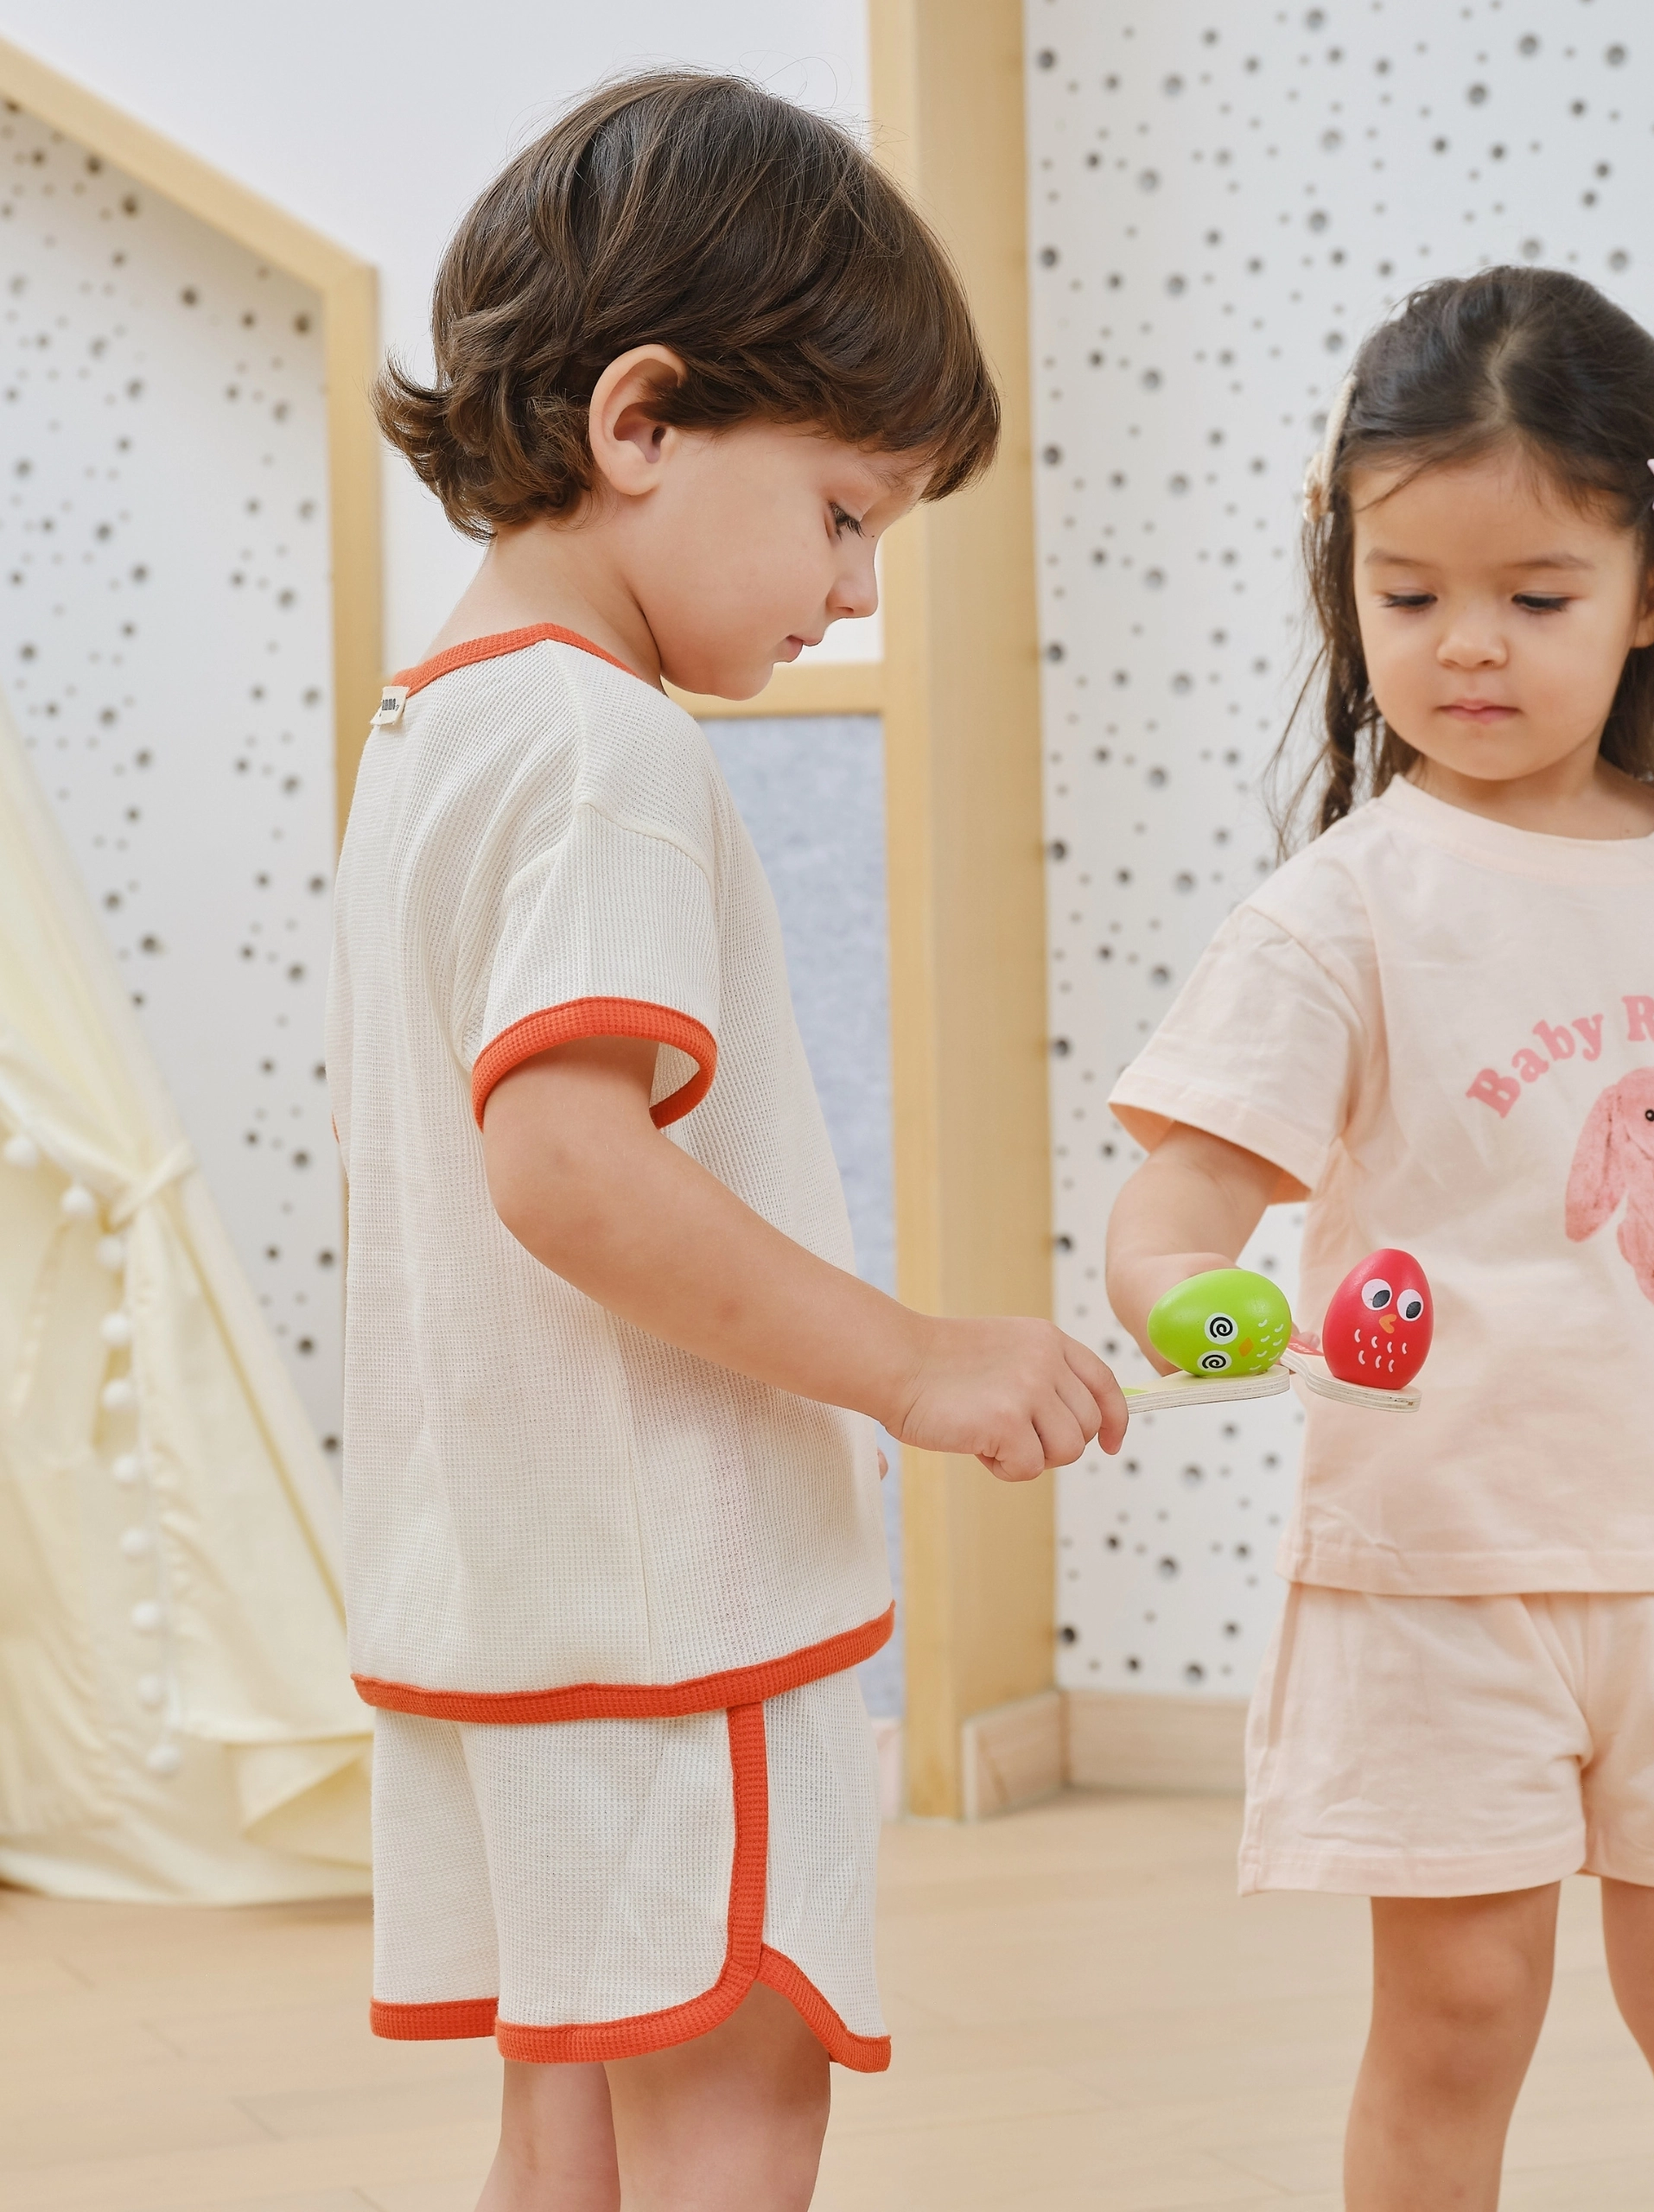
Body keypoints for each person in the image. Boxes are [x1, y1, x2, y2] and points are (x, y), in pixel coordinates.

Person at [328, 73, 1125, 2212]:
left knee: (572, 2105)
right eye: (845, 512)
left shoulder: (434, 723)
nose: (854, 590)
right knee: (736, 2090)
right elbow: (567, 1170)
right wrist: (915, 1360)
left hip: (508, 1589)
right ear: (643, 421)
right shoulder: (601, 747)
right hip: (665, 1600)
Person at [1104, 266, 1654, 2212]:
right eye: (1407, 596)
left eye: (1535, 598)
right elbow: (1184, 1195)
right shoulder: (1341, 912)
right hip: (1439, 1576)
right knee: (1456, 2014)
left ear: (1652, 592)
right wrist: (1184, 1297)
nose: (1466, 645)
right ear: (1349, 589)